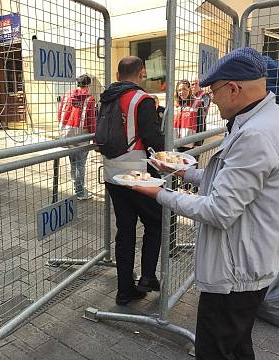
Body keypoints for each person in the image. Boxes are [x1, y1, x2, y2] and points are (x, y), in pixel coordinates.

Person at [131, 47, 279, 360]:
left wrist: (157, 193)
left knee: (215, 350)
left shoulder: (256, 134)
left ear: (233, 89)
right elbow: (231, 180)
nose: (211, 99)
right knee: (236, 345)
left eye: (214, 91)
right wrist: (185, 171)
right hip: (248, 259)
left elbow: (219, 211)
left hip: (236, 270)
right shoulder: (263, 119)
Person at [100, 56, 165, 305]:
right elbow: (153, 140)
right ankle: (147, 276)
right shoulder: (142, 99)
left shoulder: (106, 98)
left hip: (112, 174)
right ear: (142, 73)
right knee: (156, 221)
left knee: (125, 230)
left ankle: (124, 290)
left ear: (118, 75)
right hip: (139, 173)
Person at [58, 74, 97, 200]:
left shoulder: (67, 95)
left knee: (73, 162)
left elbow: (60, 114)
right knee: (80, 164)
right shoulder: (89, 99)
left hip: (68, 133)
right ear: (88, 85)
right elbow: (91, 120)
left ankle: (76, 187)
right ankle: (80, 192)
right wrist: (94, 136)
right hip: (82, 135)